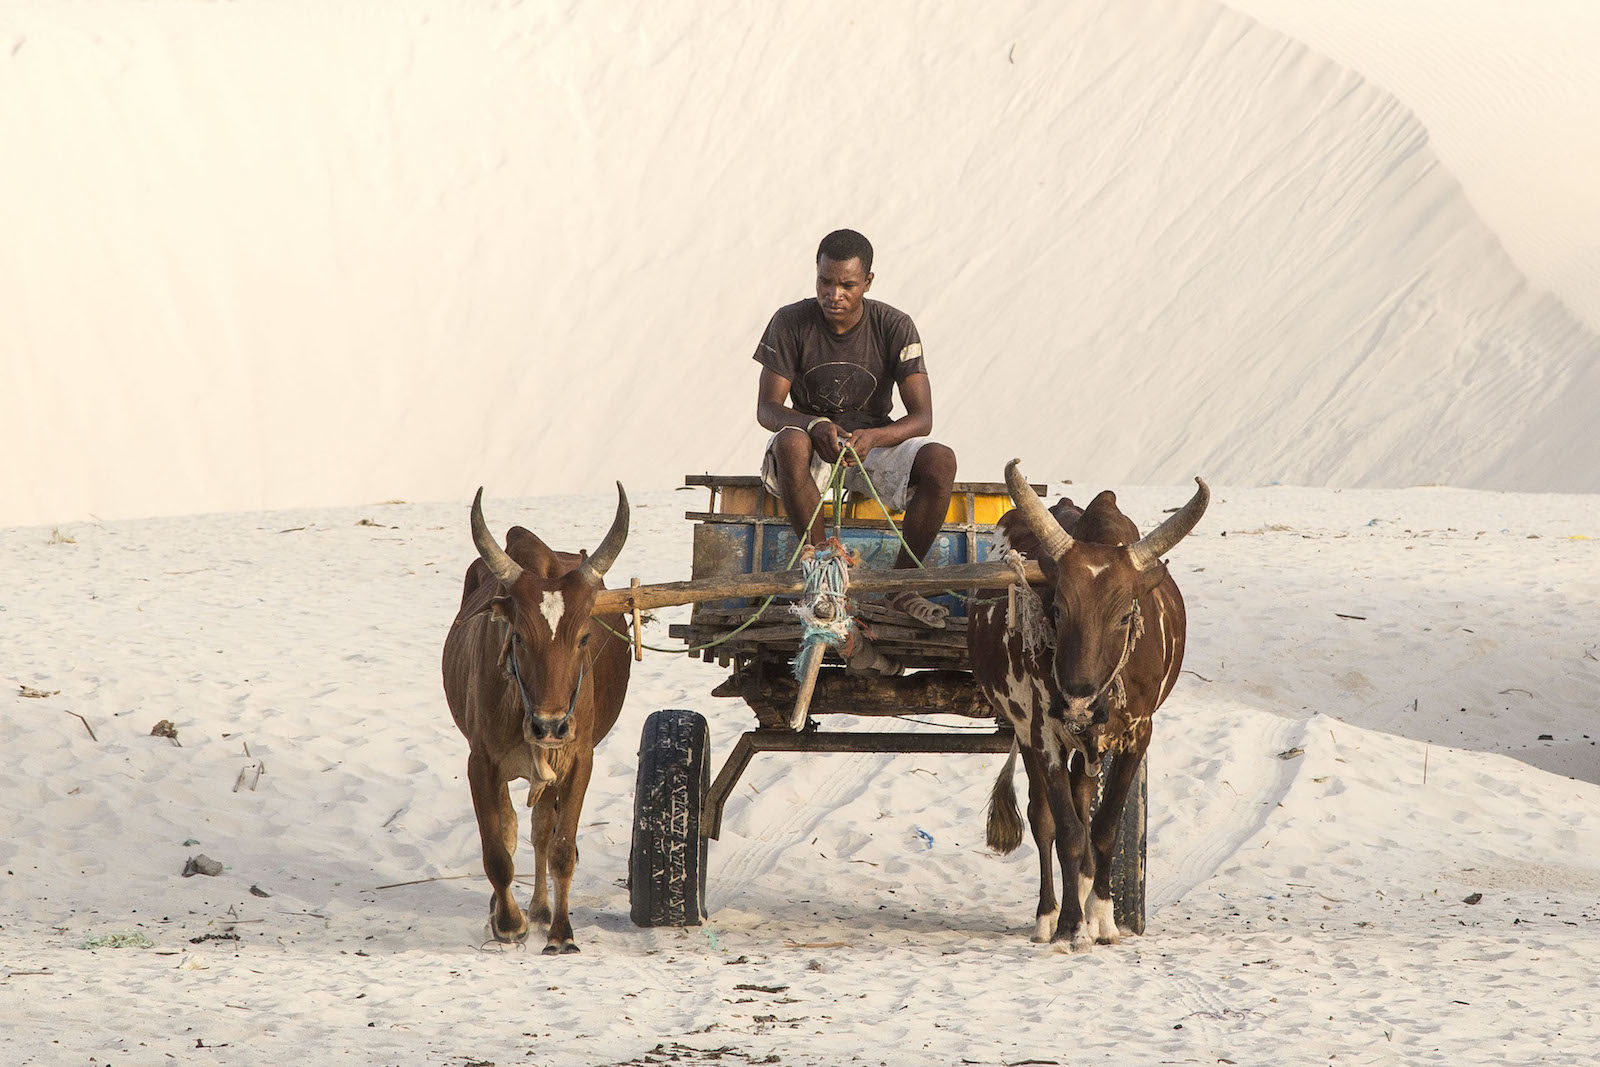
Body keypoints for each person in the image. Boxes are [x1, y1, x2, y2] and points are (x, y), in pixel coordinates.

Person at [753, 229, 958, 628]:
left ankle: (901, 585)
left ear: (868, 282)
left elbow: (922, 418)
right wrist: (814, 425)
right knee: (790, 442)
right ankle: (824, 576)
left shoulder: (895, 325)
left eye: (847, 284)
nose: (834, 294)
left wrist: (875, 438)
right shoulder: (790, 321)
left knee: (941, 461)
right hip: (812, 446)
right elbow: (768, 409)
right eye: (825, 282)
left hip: (873, 447)